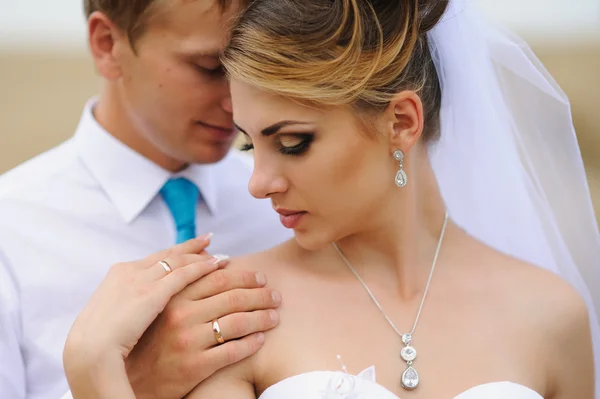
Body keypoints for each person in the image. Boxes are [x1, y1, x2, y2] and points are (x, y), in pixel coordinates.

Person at [63, 0, 600, 398]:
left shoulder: (553, 315)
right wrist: (94, 371)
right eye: (252, 144)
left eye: (293, 143)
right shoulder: (239, 311)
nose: (257, 182)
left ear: (401, 121)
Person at [0, 0, 293, 398]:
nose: (236, 102)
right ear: (107, 44)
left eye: (251, 66)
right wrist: (125, 385)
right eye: (210, 68)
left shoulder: (289, 208)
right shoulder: (10, 231)